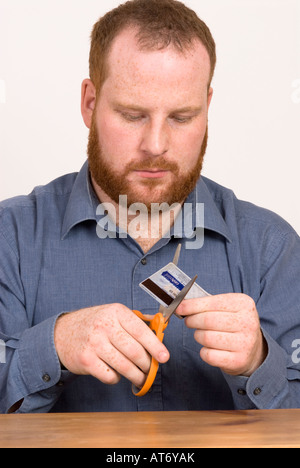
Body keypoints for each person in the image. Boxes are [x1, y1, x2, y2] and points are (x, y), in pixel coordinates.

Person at [0, 0, 299, 414]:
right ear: (89, 103)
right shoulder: (10, 238)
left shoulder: (272, 248)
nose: (156, 145)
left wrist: (260, 362)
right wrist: (53, 346)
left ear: (207, 107)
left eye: (181, 116)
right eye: (132, 114)